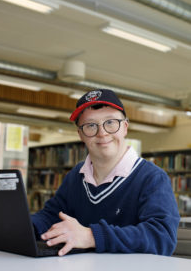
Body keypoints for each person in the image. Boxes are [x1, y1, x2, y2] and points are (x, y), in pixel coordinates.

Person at [31, 89, 180, 256]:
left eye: (110, 122)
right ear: (80, 134)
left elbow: (162, 237)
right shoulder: (76, 176)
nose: (102, 133)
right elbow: (52, 216)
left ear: (124, 127)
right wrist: (19, 226)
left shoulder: (152, 178)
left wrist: (91, 236)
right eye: (90, 126)